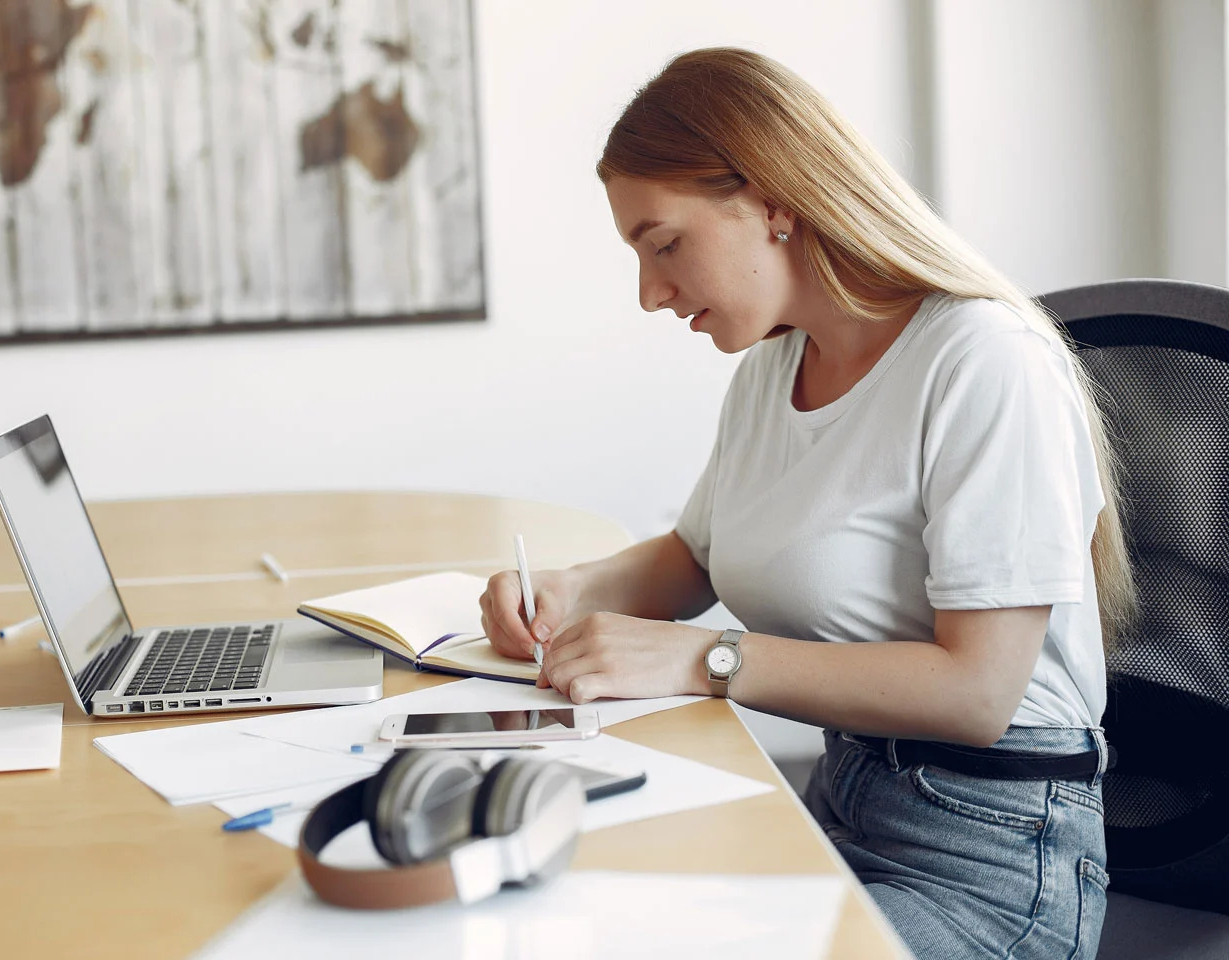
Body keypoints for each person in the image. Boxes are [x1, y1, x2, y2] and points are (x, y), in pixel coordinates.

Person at [477, 47, 1133, 960]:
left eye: (665, 245)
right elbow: (700, 557)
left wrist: (706, 659)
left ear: (776, 201)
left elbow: (980, 691)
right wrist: (573, 588)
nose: (650, 293)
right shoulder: (773, 368)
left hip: (990, 859)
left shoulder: (986, 360)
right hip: (843, 802)